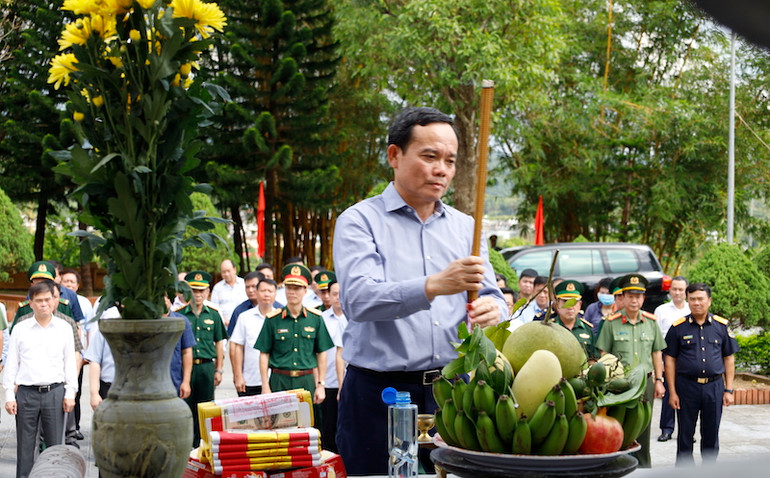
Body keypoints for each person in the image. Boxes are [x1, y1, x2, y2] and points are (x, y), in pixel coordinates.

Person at [332, 107, 506, 475]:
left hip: (452, 392)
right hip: (378, 394)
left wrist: (494, 308)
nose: (441, 169)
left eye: (449, 160)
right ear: (395, 155)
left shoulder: (466, 229)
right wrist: (433, 286)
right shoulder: (360, 221)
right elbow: (359, 300)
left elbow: (491, 294)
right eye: (429, 156)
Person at [3, 280, 77, 478]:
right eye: (39, 300)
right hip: (26, 394)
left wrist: (71, 393)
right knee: (25, 447)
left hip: (55, 392)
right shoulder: (20, 328)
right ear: (31, 302)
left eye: (47, 300)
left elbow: (70, 362)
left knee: (55, 448)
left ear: (54, 301)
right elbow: (12, 364)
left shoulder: (64, 327)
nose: (44, 304)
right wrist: (9, 394)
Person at [596, 273, 666, 468]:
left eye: (638, 296)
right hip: (621, 385)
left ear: (643, 299)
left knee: (643, 426)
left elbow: (657, 353)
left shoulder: (652, 322)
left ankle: (643, 466)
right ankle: (618, 464)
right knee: (619, 424)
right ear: (623, 298)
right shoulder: (611, 322)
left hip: (646, 383)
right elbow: (604, 354)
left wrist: (659, 380)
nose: (634, 300)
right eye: (630, 296)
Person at [664, 283, 738, 466]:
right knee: (685, 435)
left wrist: (729, 389)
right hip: (686, 387)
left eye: (700, 299)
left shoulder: (721, 326)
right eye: (692, 299)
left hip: (714, 387)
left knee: (711, 434)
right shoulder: (678, 327)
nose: (696, 303)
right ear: (687, 301)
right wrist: (672, 392)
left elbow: (729, 358)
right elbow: (670, 360)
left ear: (709, 301)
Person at [255, 264, 333, 403]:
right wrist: (265, 386)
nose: (292, 292)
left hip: (306, 380)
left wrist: (321, 384)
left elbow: (321, 353)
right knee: (279, 423)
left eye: (296, 288)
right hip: (279, 380)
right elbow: (264, 353)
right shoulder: (273, 319)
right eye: (289, 288)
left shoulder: (315, 319)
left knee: (308, 423)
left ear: (305, 290)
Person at [176, 270, 227, 447]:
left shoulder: (213, 314)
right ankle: (186, 445)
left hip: (206, 367)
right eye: (194, 290)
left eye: (201, 291)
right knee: (185, 408)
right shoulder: (179, 314)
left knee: (205, 408)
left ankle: (202, 445)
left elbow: (219, 343)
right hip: (185, 369)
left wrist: (219, 369)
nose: (197, 294)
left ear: (207, 292)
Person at [655, 276, 691, 442]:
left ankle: (687, 431)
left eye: (681, 289)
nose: (677, 293)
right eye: (674, 289)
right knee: (669, 392)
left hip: (687, 356)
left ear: (686, 291)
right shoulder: (661, 310)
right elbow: (656, 339)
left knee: (687, 394)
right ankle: (667, 429)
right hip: (667, 354)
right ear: (670, 291)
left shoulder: (692, 309)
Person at [59, 267, 93, 441]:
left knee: (75, 391)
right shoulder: (59, 299)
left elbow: (86, 329)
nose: (69, 284)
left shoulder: (83, 302)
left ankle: (74, 427)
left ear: (78, 285)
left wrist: (86, 353)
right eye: (66, 281)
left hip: (77, 351)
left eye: (72, 281)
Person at [229, 277, 277, 396]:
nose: (266, 294)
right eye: (263, 290)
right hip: (250, 380)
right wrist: (238, 375)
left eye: (270, 291)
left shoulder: (280, 317)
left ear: (275, 294)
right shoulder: (245, 317)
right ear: (256, 292)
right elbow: (238, 347)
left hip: (275, 380)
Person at [320, 280, 347, 453]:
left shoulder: (352, 318)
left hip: (348, 381)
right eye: (334, 293)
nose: (338, 297)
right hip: (327, 381)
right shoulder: (320, 319)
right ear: (327, 295)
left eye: (340, 293)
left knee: (345, 427)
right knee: (327, 427)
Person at [551, 280, 598, 361]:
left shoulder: (587, 329)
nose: (570, 307)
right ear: (557, 305)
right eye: (565, 301)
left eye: (574, 302)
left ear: (580, 305)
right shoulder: (549, 328)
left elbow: (595, 358)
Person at [226, 271, 265, 337]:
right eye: (247, 287)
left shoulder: (277, 308)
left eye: (253, 286)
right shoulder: (239, 311)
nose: (250, 290)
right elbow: (231, 337)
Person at [210, 259, 247, 327]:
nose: (226, 274)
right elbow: (214, 308)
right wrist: (225, 321)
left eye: (228, 271)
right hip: (224, 327)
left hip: (243, 325)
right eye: (223, 272)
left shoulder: (244, 284)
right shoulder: (217, 288)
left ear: (234, 270)